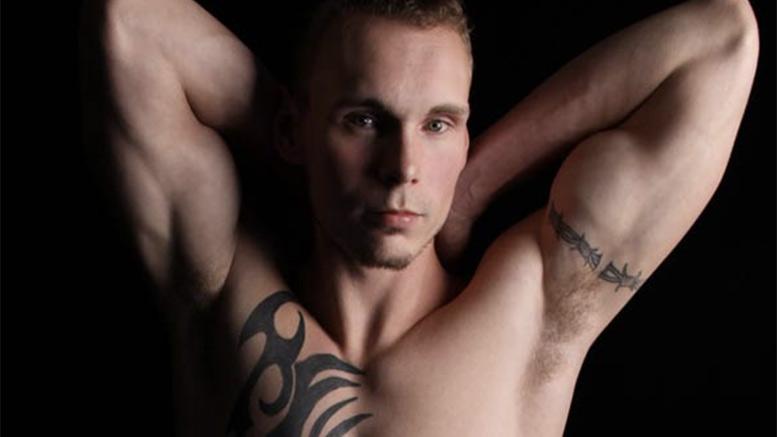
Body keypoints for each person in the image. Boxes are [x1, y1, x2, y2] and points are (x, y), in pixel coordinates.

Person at [79, 0, 759, 435]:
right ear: (293, 127)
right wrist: (309, 157)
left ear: (464, 136)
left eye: (437, 124)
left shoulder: (530, 315)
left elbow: (721, 38)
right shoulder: (221, 286)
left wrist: (471, 188)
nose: (402, 166)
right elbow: (129, 21)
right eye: (364, 120)